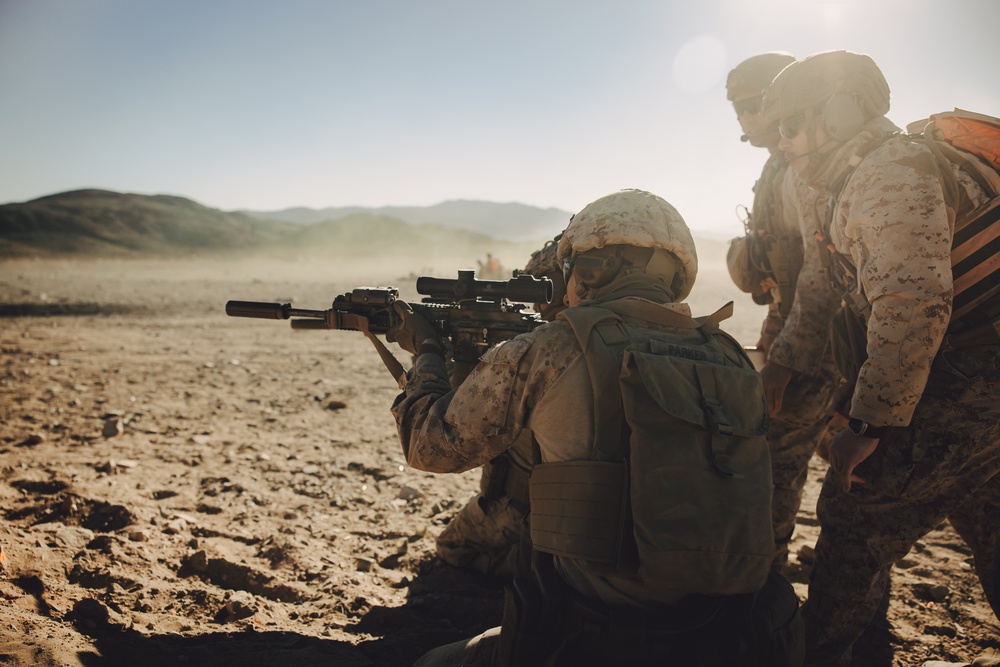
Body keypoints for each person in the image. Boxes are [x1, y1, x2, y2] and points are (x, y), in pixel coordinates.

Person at [387, 189, 804, 666]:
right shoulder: (730, 356)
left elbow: (430, 448)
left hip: (600, 634)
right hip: (735, 633)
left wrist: (426, 354)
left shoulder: (554, 348)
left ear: (589, 271)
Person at [761, 49, 1000, 666]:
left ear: (838, 115)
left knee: (854, 517)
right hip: (978, 382)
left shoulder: (890, 175)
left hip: (963, 382)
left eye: (790, 126)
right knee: (988, 521)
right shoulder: (865, 173)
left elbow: (911, 305)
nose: (781, 144)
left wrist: (867, 425)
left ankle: (822, 655)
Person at [725, 52, 842, 571]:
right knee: (849, 460)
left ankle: (759, 583)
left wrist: (786, 358)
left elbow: (821, 278)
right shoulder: (781, 166)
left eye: (750, 106)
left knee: (770, 468)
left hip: (818, 347)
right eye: (741, 109)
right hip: (803, 337)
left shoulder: (803, 169)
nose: (746, 119)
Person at [434, 234, 568, 578]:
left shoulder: (539, 352)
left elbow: (448, 435)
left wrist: (433, 355)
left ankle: (531, 569)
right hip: (611, 516)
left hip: (532, 512)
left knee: (454, 546)